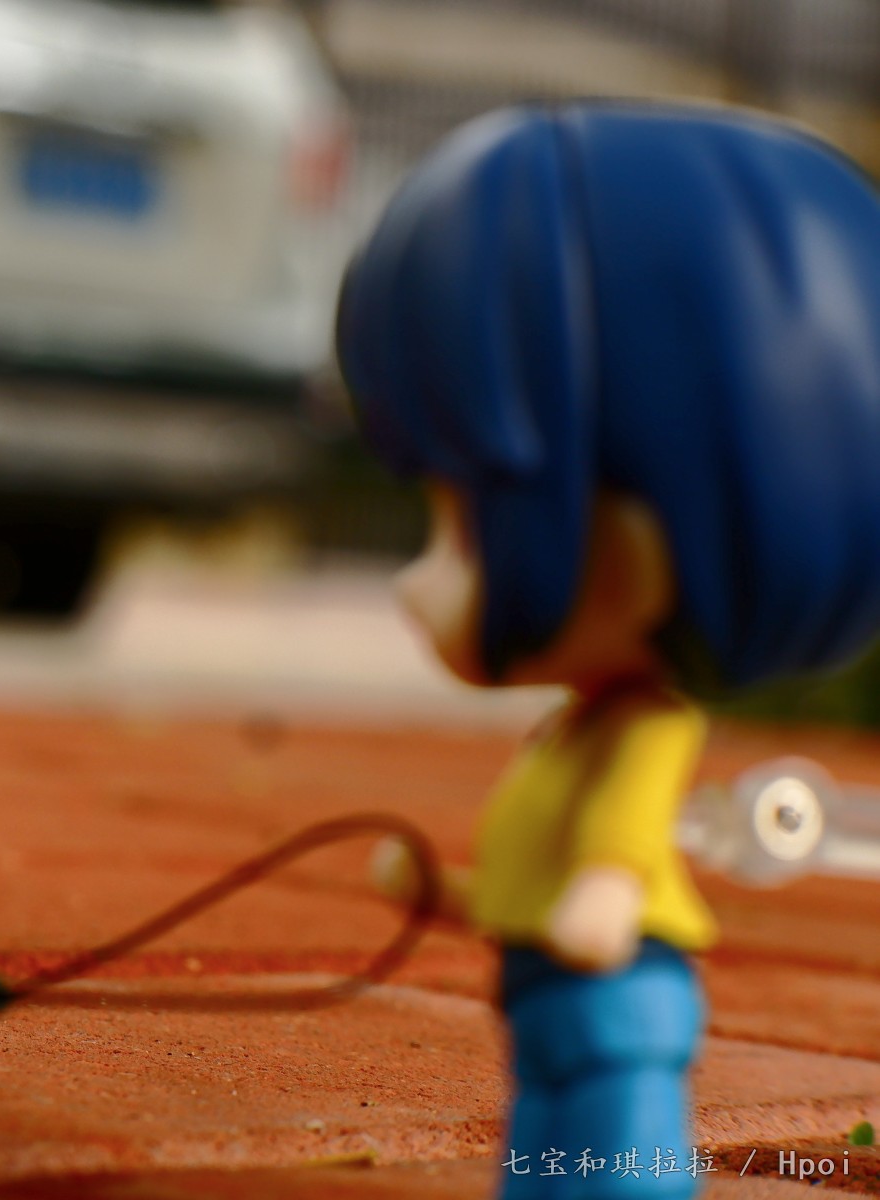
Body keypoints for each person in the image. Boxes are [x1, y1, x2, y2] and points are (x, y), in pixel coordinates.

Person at [339, 103, 880, 1197]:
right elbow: (533, 886)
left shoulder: (642, 729)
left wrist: (599, 898)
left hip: (612, 1011)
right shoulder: (575, 730)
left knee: (618, 1163)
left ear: (636, 550)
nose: (413, 582)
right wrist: (444, 895)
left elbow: (614, 854)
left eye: (464, 528)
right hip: (553, 1004)